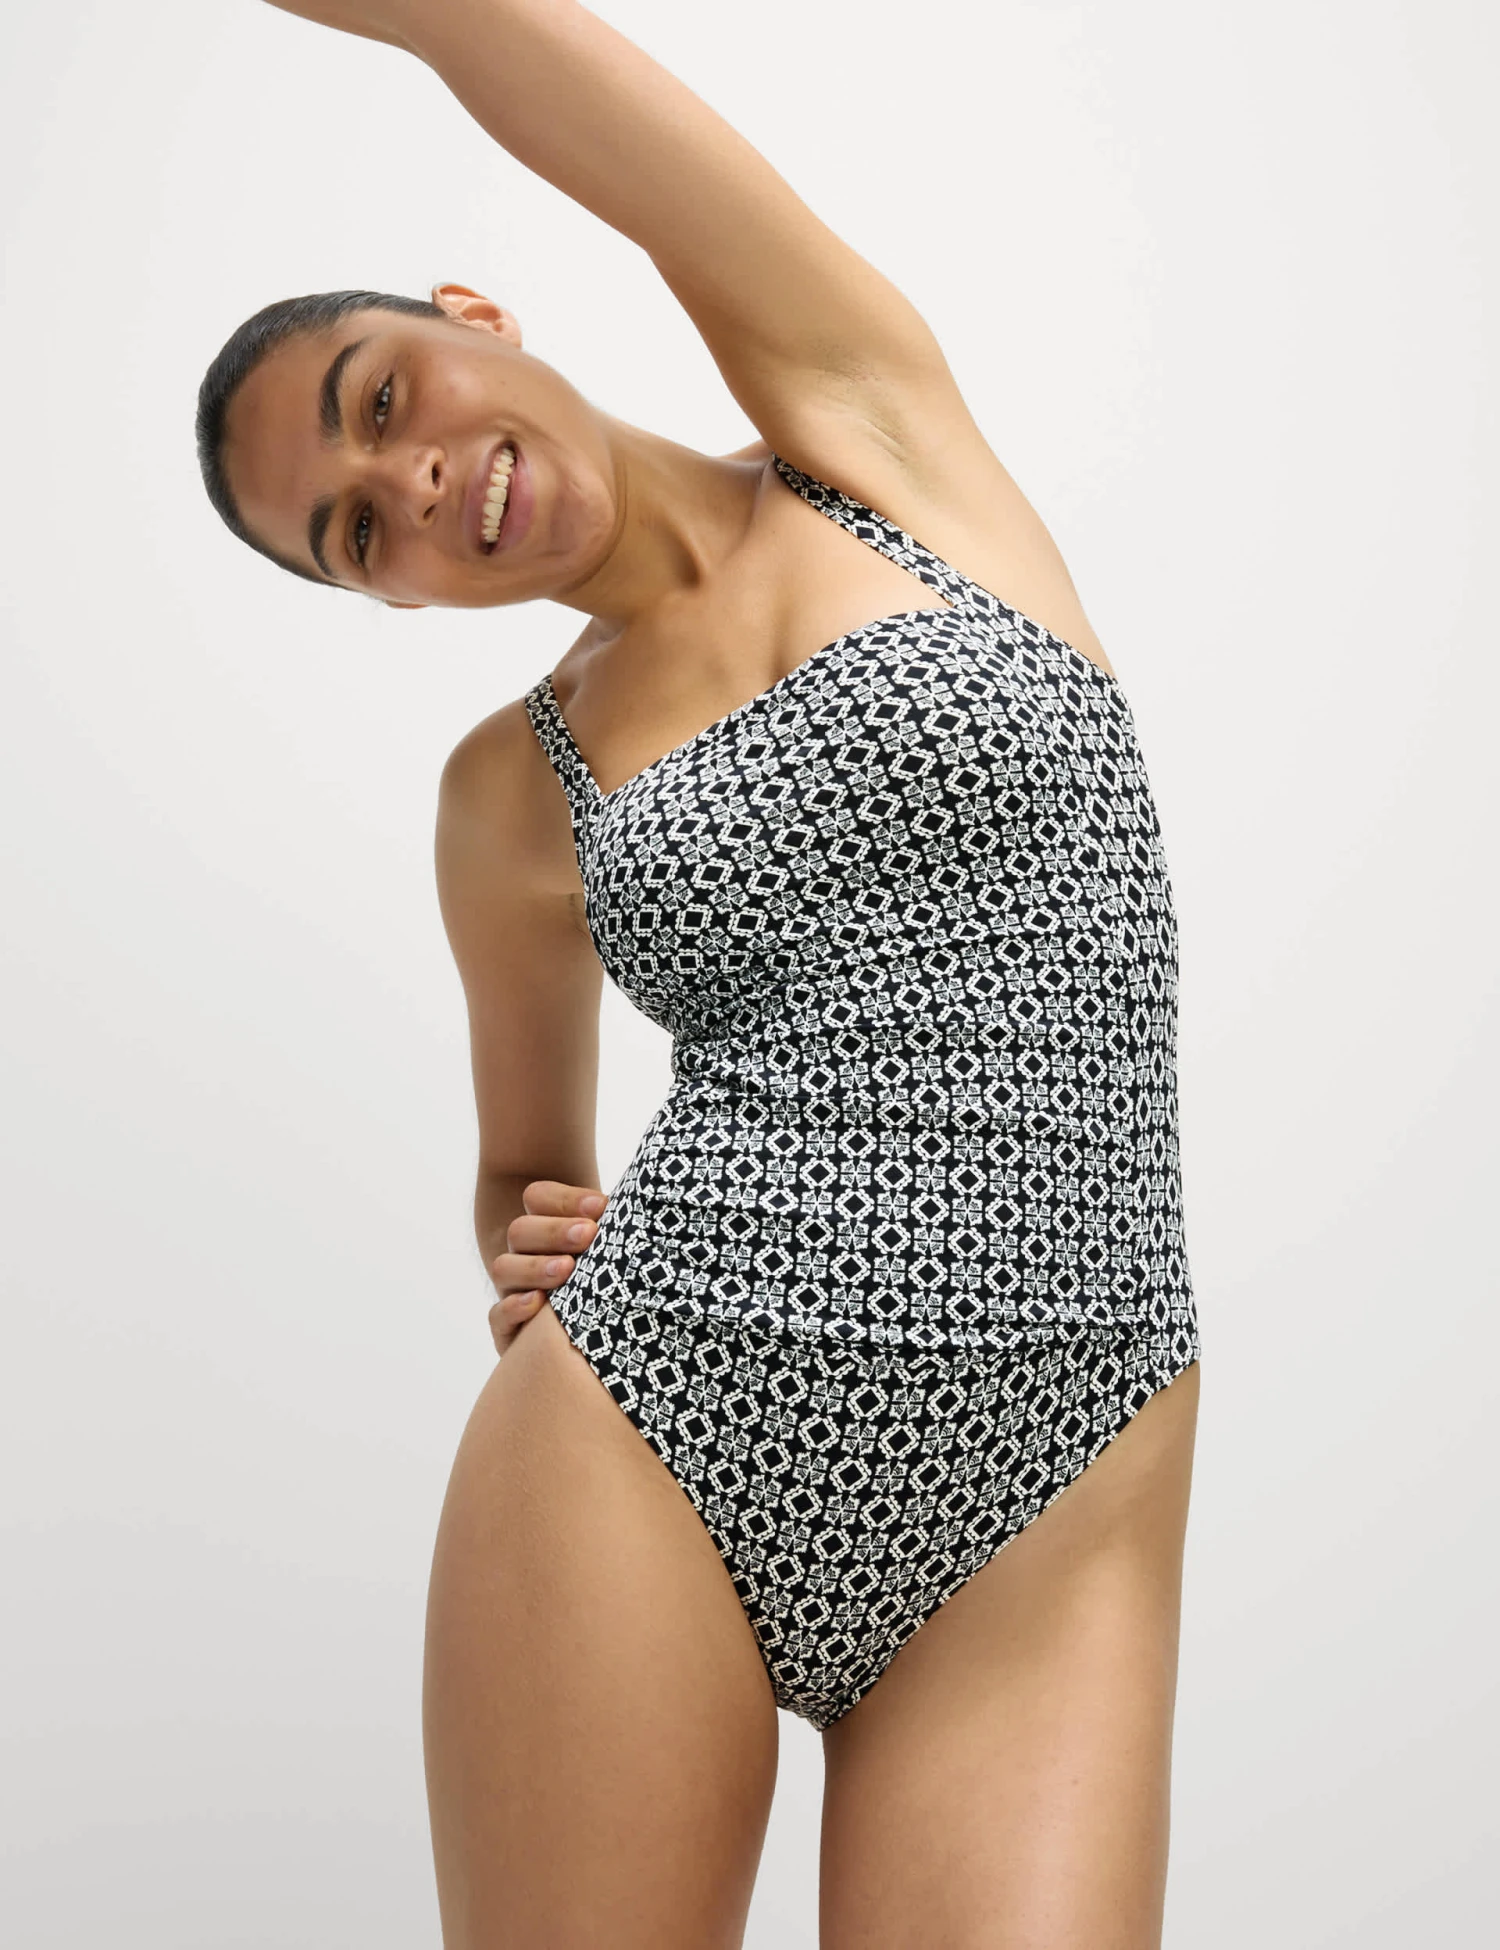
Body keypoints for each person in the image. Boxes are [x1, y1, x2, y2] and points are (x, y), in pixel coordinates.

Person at [196, 2, 1204, 1942]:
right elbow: (523, 1168)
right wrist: (530, 1247)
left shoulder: (872, 437)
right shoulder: (513, 793)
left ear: (472, 316)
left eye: (383, 400)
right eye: (357, 530)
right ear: (386, 593)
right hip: (654, 1439)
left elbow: (524, 58)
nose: (417, 484)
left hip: (1062, 1474)